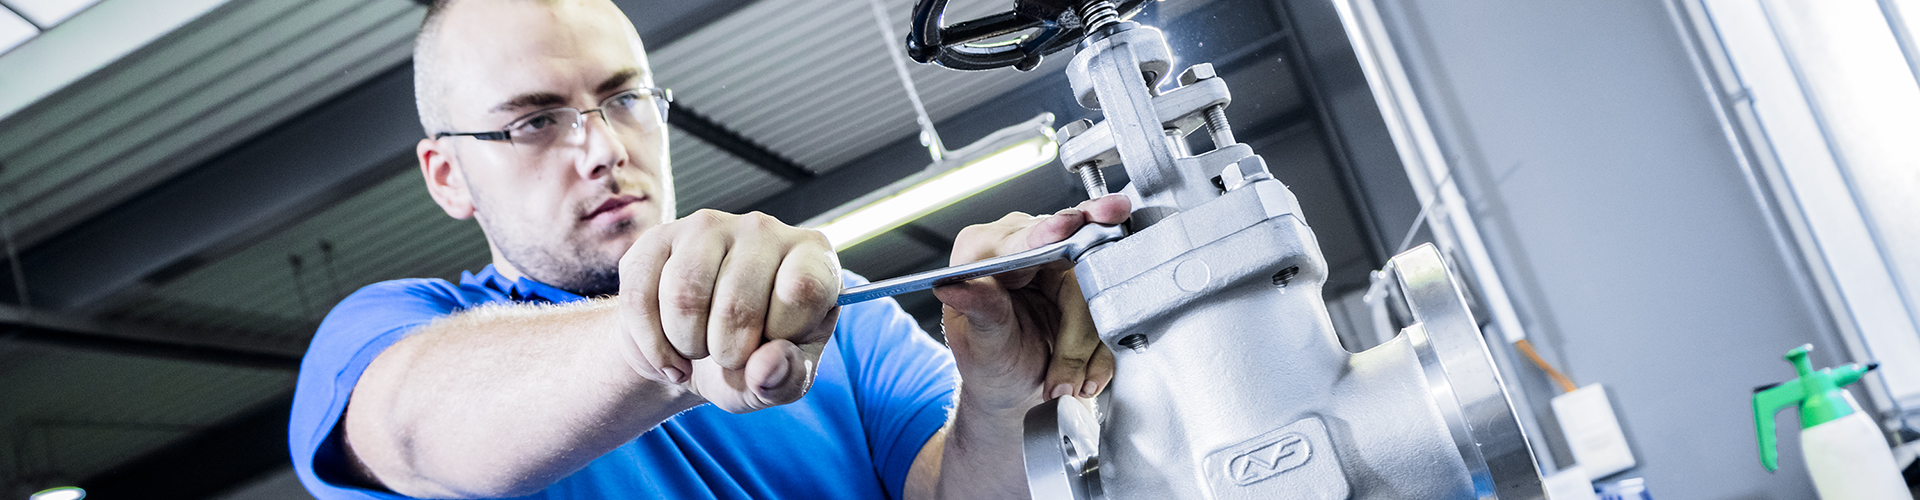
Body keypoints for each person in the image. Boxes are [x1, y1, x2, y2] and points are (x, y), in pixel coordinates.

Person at [287, 0, 1131, 498]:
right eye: (536, 120)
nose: (603, 148)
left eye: (623, 99)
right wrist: (657, 345)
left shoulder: (836, 316)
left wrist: (1000, 400)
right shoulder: (388, 334)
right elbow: (414, 426)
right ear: (448, 176)